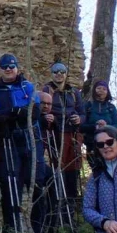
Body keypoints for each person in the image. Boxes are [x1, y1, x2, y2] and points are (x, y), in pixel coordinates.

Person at [0, 53, 40, 233]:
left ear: (17, 68)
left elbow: (34, 112)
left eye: (12, 66)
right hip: (7, 140)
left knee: (35, 183)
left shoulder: (27, 86)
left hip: (27, 139)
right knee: (10, 186)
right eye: (4, 67)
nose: (8, 69)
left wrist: (10, 113)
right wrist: (16, 112)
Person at [43, 62, 86, 203]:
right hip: (56, 134)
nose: (59, 74)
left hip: (72, 134)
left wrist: (79, 119)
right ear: (51, 74)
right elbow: (42, 109)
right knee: (58, 167)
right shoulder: (47, 90)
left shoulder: (74, 92)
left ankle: (71, 202)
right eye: (56, 71)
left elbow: (82, 113)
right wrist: (49, 118)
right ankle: (58, 202)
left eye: (62, 71)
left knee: (73, 167)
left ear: (66, 74)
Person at [31, 90, 59, 233]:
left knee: (54, 181)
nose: (46, 106)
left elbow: (57, 139)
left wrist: (55, 123)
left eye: (49, 104)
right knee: (38, 196)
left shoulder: (50, 120)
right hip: (30, 163)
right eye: (43, 103)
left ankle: (50, 228)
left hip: (41, 163)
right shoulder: (31, 117)